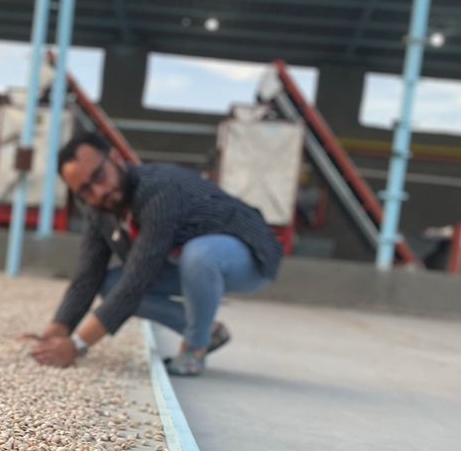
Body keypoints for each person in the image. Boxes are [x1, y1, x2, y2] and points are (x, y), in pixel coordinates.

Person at [26, 133, 282, 376]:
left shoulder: (157, 190)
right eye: (85, 190)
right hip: (189, 264)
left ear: (115, 158)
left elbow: (138, 280)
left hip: (248, 255)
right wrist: (56, 332)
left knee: (199, 255)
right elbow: (87, 275)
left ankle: (194, 350)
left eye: (99, 176)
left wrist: (77, 345)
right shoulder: (102, 211)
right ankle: (208, 333)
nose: (99, 191)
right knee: (111, 284)